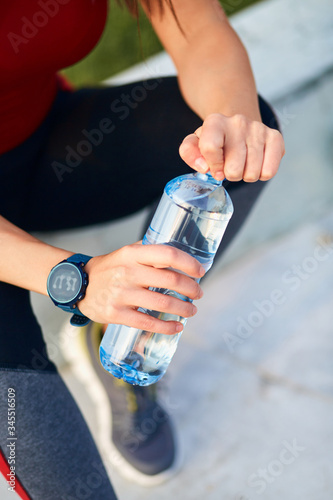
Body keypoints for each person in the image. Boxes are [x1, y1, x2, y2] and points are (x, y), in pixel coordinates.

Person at [0, 0, 285, 498]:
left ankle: (124, 336)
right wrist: (78, 280)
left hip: (41, 149)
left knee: (242, 146)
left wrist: (232, 125)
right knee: (69, 487)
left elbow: (196, 27)